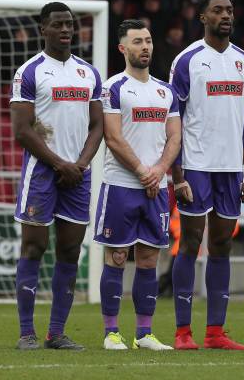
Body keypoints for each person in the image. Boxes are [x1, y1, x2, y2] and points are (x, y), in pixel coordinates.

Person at [10, 2, 104, 350]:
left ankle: (56, 333)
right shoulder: (29, 71)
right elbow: (22, 130)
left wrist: (79, 164)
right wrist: (59, 164)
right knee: (34, 247)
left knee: (69, 250)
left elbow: (97, 125)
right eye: (58, 24)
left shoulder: (89, 73)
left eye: (70, 24)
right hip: (42, 173)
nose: (66, 30)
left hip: (79, 175)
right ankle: (26, 333)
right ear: (43, 29)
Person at [169, 0, 244, 350]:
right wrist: (177, 175)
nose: (226, 15)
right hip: (196, 165)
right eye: (218, 10)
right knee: (190, 243)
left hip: (231, 169)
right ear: (202, 17)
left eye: (230, 10)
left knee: (221, 244)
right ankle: (182, 332)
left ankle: (215, 332)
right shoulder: (187, 60)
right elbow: (174, 119)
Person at [94, 19, 181, 351]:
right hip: (121, 185)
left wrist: (159, 170)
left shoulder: (165, 91)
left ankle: (144, 333)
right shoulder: (113, 87)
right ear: (123, 48)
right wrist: (144, 171)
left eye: (147, 40)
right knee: (116, 257)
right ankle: (111, 332)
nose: (145, 46)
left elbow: (175, 136)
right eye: (137, 42)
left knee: (148, 260)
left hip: (156, 188)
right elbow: (113, 137)